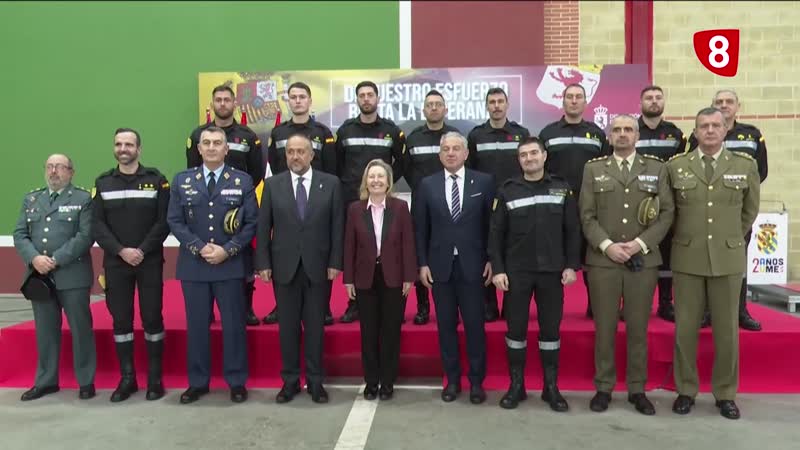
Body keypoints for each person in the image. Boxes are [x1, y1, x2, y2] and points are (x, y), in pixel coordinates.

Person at [667, 107, 760, 420]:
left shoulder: (744, 165)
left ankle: (725, 393)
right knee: (686, 330)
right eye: (703, 126)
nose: (709, 130)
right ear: (695, 132)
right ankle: (686, 390)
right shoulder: (677, 166)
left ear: (725, 130)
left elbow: (749, 212)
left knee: (726, 332)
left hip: (728, 257)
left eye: (715, 125)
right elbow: (671, 212)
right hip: (687, 257)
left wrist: (728, 237)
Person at [579, 115, 674, 415]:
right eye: (617, 130)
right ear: (609, 136)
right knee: (604, 328)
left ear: (637, 135)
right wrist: (608, 246)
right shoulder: (593, 169)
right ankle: (603, 387)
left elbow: (667, 214)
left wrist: (638, 244)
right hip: (603, 262)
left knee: (638, 328)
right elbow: (586, 215)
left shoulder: (657, 169)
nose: (622, 134)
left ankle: (637, 388)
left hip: (642, 261)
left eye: (628, 130)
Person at [488, 137, 580, 411]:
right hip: (517, 273)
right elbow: (495, 234)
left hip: (552, 273)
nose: (529, 158)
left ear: (544, 155)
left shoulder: (561, 188)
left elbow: (572, 230)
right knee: (515, 331)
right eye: (524, 155)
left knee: (550, 331)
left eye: (533, 153)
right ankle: (516, 386)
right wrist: (499, 269)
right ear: (519, 160)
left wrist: (571, 265)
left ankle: (551, 388)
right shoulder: (507, 191)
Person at [168, 126, 258, 404]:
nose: (211, 147)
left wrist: (227, 250)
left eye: (217, 143)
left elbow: (251, 223)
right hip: (194, 266)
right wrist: (199, 247)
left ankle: (236, 381)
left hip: (229, 266)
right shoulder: (182, 180)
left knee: (233, 327)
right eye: (205, 143)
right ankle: (197, 382)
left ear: (226, 148)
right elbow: (174, 221)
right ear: (198, 149)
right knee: (196, 328)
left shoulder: (242, 181)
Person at [256, 134, 344, 404]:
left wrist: (335, 262)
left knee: (316, 328)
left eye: (300, 151)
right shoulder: (272, 185)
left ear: (311, 155)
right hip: (284, 268)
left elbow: (337, 227)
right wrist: (263, 264)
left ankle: (316, 382)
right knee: (288, 329)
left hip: (319, 268)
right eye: (290, 152)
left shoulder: (331, 184)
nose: (295, 156)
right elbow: (263, 228)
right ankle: (290, 381)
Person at [414, 131, 494, 404]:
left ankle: (475, 383)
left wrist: (492, 260)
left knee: (475, 326)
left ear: (466, 153)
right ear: (439, 155)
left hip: (474, 267)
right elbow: (420, 229)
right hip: (440, 268)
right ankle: (452, 380)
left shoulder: (484, 181)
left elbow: (491, 226)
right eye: (446, 149)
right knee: (446, 327)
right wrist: (422, 263)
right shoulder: (426, 185)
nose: (451, 153)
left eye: (456, 148)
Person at [92, 128, 170, 402]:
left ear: (139, 149)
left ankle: (154, 380)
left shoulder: (156, 180)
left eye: (129, 144)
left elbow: (164, 222)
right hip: (116, 264)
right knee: (121, 320)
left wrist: (141, 250)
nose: (123, 148)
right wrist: (121, 251)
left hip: (148, 262)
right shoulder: (102, 183)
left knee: (152, 318)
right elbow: (97, 225)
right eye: (118, 144)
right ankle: (127, 379)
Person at [13, 154, 96, 401]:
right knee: (45, 331)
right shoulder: (31, 199)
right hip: (39, 276)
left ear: (71, 172)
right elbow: (19, 234)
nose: (54, 171)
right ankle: (46, 381)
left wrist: (55, 259)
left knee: (81, 329)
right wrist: (34, 258)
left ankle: (85, 381)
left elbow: (85, 236)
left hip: (73, 275)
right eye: (49, 167)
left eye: (60, 167)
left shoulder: (83, 199)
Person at [688, 89, 768, 331]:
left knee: (737, 265)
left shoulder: (752, 136)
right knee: (705, 262)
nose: (724, 105)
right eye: (719, 102)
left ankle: (740, 311)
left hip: (735, 212)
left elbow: (760, 172)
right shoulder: (699, 135)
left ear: (737, 106)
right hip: (705, 211)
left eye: (729, 102)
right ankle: (707, 311)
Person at [187, 84, 264, 326]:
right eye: (218, 99)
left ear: (234, 104)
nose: (222, 104)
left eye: (226, 100)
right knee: (206, 255)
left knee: (242, 257)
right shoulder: (197, 135)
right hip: (204, 206)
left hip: (238, 208)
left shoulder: (249, 136)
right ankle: (206, 309)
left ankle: (246, 308)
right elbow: (191, 171)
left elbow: (257, 173)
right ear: (212, 105)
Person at [264, 81, 336, 326]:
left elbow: (331, 165)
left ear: (309, 100)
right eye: (292, 96)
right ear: (288, 101)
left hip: (317, 199)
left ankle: (322, 307)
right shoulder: (278, 133)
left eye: (302, 96)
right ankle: (282, 305)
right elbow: (275, 164)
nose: (297, 100)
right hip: (287, 198)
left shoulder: (324, 133)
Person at [343, 159, 416, 401]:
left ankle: (387, 381)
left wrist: (409, 277)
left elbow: (408, 243)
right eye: (371, 176)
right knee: (369, 332)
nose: (376, 180)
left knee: (390, 332)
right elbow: (349, 246)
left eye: (380, 177)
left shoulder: (400, 207)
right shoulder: (355, 209)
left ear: (388, 182)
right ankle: (371, 381)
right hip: (365, 279)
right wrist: (348, 279)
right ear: (366, 181)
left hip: (393, 277)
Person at [334, 80, 405, 323]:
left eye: (370, 95)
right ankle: (354, 303)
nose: (366, 99)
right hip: (352, 202)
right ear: (357, 100)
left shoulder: (391, 131)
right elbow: (337, 164)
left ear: (377, 99)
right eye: (361, 95)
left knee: (382, 247)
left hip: (381, 201)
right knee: (355, 249)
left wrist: (385, 185)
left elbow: (402, 162)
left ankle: (385, 295)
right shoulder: (345, 131)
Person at [539, 83, 611, 318]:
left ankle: (595, 305)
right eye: (569, 97)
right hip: (556, 205)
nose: (573, 101)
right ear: (563, 100)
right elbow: (541, 170)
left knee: (593, 256)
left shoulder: (597, 133)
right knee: (555, 255)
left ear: (585, 102)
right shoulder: (548, 133)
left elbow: (606, 169)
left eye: (578, 97)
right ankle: (552, 307)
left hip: (591, 205)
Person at [467, 87, 531, 322]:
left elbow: (528, 166)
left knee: (512, 252)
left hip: (515, 202)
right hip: (483, 204)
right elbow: (470, 170)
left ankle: (512, 304)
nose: (496, 105)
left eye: (500, 101)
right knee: (487, 253)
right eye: (492, 102)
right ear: (487, 106)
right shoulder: (475, 136)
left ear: (507, 104)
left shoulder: (520, 133)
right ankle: (489, 304)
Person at [403, 89, 459, 325]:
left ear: (445, 109)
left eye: (438, 104)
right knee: (420, 254)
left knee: (454, 255)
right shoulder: (413, 138)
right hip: (422, 206)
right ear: (424, 110)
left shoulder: (455, 137)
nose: (434, 108)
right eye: (429, 104)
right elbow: (406, 169)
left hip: (453, 205)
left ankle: (455, 306)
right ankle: (423, 306)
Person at [635, 85, 687, 322]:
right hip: (635, 203)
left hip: (666, 204)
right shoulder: (631, 130)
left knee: (666, 254)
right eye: (649, 98)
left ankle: (666, 303)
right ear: (641, 103)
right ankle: (635, 304)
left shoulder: (676, 134)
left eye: (658, 97)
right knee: (636, 252)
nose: (654, 101)